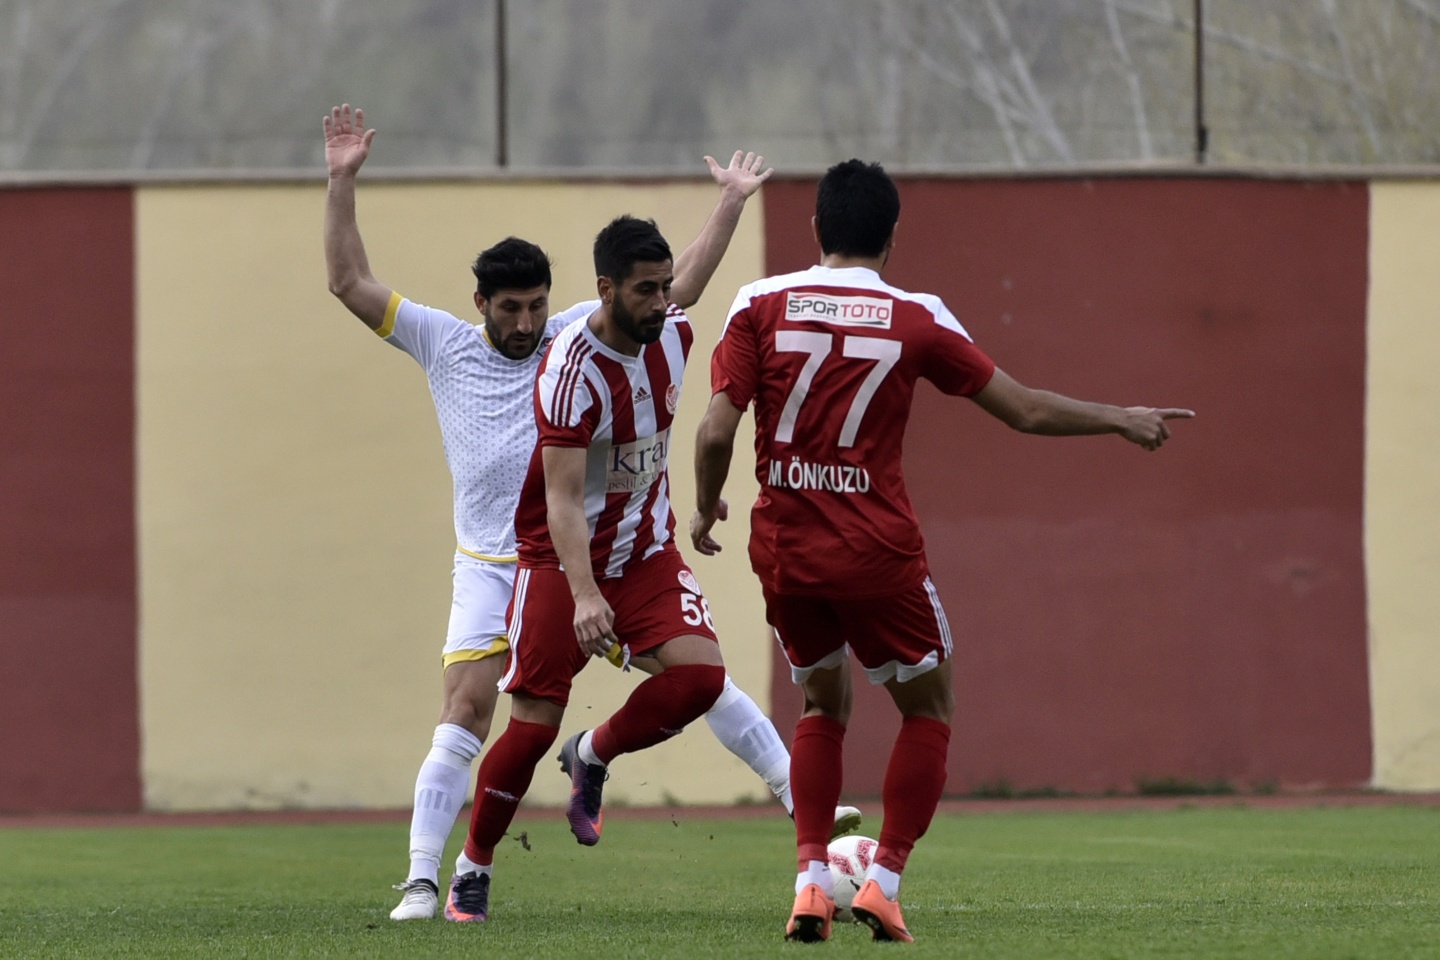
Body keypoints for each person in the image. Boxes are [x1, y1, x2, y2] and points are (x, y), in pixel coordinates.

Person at [321, 104, 858, 922]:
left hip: (627, 552)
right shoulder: (457, 345)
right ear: (482, 304)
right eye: (510, 309)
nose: (528, 322)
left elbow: (684, 285)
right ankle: (438, 874)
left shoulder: (629, 327)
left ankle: (773, 793)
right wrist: (341, 181)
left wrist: (731, 201)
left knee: (702, 678)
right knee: (486, 714)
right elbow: (351, 285)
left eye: (538, 304)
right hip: (520, 559)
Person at [691, 159, 1195, 943]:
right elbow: (1023, 410)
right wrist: (1120, 417)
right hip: (876, 551)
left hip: (785, 548)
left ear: (817, 229)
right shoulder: (916, 316)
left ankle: (810, 885)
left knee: (823, 704)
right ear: (892, 238)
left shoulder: (757, 303)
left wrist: (703, 505)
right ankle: (884, 883)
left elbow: (717, 429)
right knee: (929, 710)